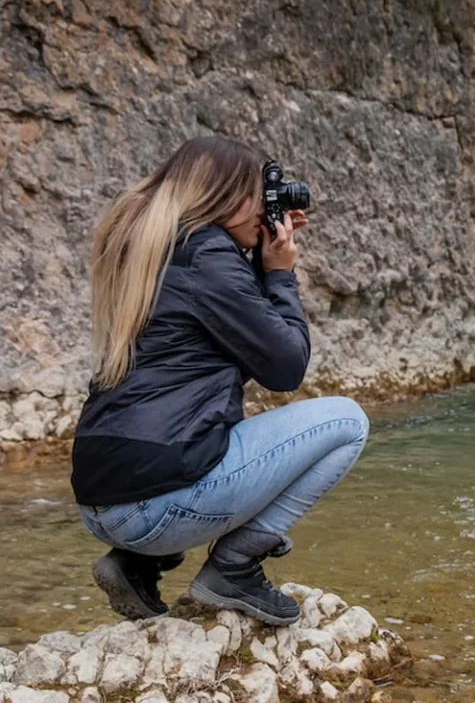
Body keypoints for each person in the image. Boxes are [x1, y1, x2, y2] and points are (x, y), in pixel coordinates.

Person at [71, 136, 369, 626]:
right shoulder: (208, 255)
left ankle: (135, 562)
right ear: (224, 196)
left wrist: (252, 256)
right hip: (153, 509)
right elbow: (285, 366)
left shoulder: (149, 247)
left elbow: (220, 335)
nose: (263, 210)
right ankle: (233, 567)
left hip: (101, 504)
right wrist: (279, 275)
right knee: (346, 421)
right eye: (256, 195)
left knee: (204, 430)